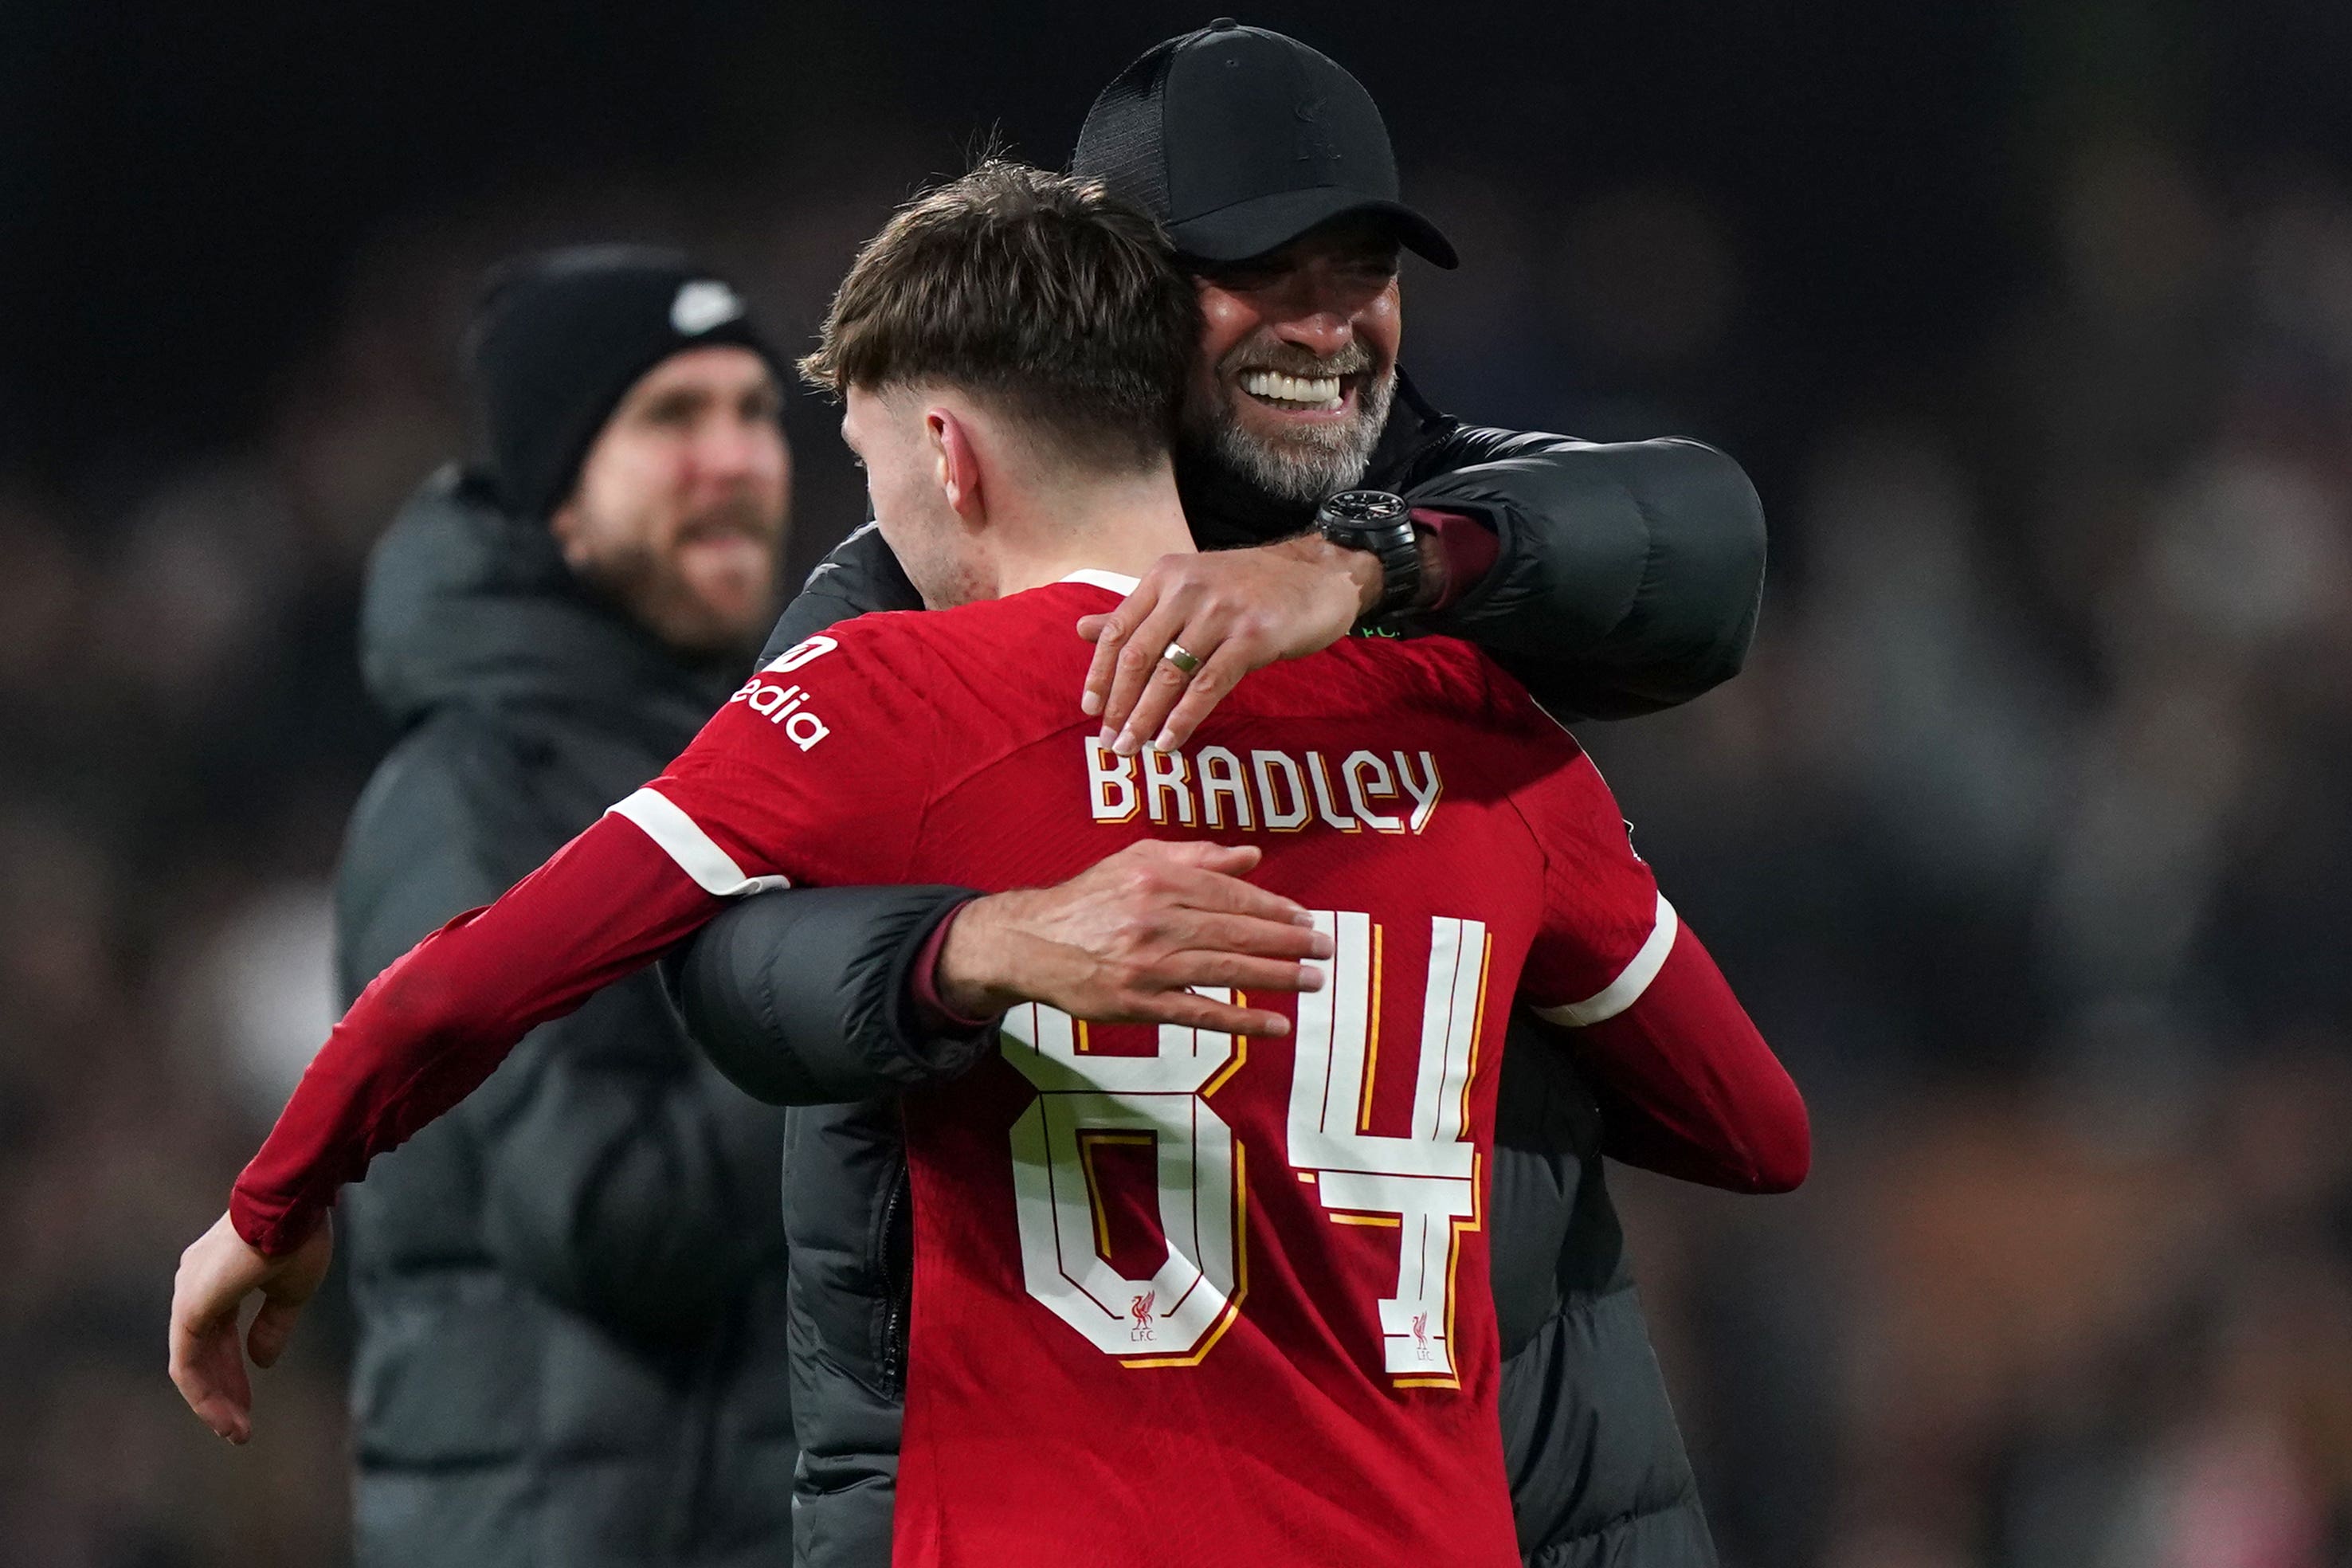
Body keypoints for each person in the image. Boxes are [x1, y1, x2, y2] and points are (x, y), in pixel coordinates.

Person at [170, 161, 1805, 1566]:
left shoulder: (889, 697)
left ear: (947, 457)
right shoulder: (1478, 721)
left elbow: (479, 974)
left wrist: (273, 1201)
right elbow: (1754, 1129)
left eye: (873, 464)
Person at [672, 22, 1771, 1566]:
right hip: (1050, 1470)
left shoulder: (1437, 518)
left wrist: (1364, 567)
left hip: (1488, 1464)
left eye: (1364, 272)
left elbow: (1703, 544)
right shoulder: (921, 597)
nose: (1330, 328)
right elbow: (724, 963)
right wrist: (974, 946)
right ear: (1118, 297)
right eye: (1267, 271)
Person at [311, 247, 805, 1567]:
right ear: (558, 501)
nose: (735, 457)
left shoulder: (741, 754)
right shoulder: (474, 793)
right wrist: (881, 996)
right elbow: (607, 1215)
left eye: (754, 412)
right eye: (670, 418)